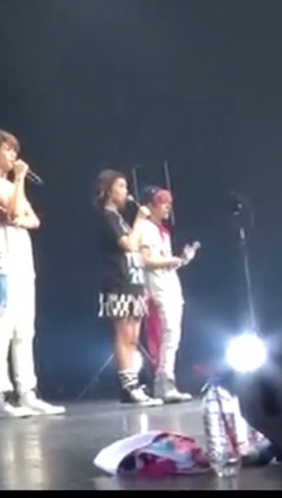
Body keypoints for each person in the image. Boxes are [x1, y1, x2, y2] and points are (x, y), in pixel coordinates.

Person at [0, 130, 65, 417]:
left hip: (23, 264)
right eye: (8, 150)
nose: (14, 155)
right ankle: (3, 394)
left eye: (15, 150)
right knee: (2, 328)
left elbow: (33, 220)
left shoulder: (11, 186)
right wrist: (19, 181)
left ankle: (27, 392)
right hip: (2, 265)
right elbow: (12, 213)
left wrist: (17, 209)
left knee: (25, 330)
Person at [94, 169, 162, 407]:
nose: (126, 192)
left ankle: (133, 382)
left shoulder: (121, 218)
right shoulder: (107, 217)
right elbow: (129, 245)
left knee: (133, 337)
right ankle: (127, 386)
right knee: (123, 336)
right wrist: (140, 220)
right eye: (121, 187)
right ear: (108, 190)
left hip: (133, 281)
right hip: (118, 282)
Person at [133, 186, 199, 403]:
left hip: (169, 283)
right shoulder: (145, 227)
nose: (167, 206)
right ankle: (163, 381)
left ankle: (166, 380)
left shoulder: (163, 231)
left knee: (173, 334)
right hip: (158, 286)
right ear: (150, 205)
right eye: (162, 202)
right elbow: (146, 260)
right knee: (168, 332)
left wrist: (181, 260)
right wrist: (171, 261)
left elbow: (163, 261)